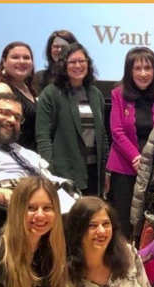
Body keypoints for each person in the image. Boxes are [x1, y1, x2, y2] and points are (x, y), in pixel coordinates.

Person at [109, 47, 154, 239]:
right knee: (125, 226)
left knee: (151, 226)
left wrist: (149, 161)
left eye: (148, 68)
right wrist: (136, 158)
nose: (143, 74)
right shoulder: (118, 93)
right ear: (129, 71)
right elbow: (117, 131)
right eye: (137, 68)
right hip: (125, 167)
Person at [36, 43, 109, 196]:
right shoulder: (51, 93)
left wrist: (106, 169)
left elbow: (102, 134)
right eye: (72, 62)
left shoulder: (95, 94)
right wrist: (49, 171)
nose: (78, 65)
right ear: (64, 65)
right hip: (64, 172)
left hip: (94, 172)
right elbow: (43, 135)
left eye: (82, 61)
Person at [0, 42, 39, 151]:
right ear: (4, 61)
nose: (21, 61)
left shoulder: (30, 90)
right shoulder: (0, 88)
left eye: (26, 58)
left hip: (26, 156)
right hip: (5, 156)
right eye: (15, 57)